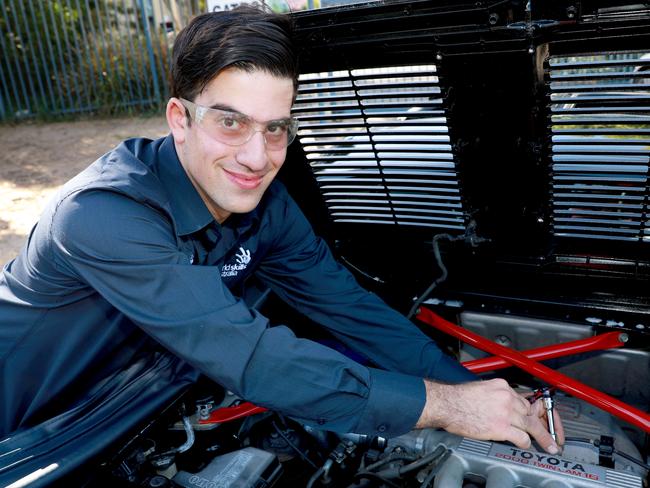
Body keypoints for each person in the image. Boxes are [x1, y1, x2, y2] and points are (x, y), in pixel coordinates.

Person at [0, 5, 562, 454]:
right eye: (230, 122)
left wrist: (473, 392)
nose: (256, 156)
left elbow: (348, 307)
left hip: (140, 405)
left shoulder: (266, 205)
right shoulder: (103, 215)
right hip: (31, 429)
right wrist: (443, 406)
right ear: (179, 119)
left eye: (276, 130)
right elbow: (250, 357)